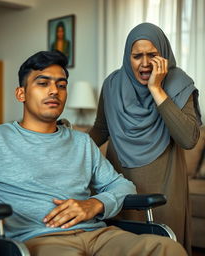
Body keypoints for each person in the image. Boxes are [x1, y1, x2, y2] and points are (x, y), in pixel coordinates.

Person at [0, 50, 187, 256]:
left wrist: (95, 204)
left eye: (61, 85)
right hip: (38, 240)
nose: (54, 91)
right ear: (21, 94)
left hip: (99, 234)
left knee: (168, 248)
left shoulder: (82, 142)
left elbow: (122, 186)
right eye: (43, 83)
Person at [89, 22, 202, 255]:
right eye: (137, 55)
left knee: (165, 245)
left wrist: (157, 89)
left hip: (165, 183)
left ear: (163, 54)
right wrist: (69, 147)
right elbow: (101, 129)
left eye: (152, 55)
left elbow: (188, 139)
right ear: (127, 57)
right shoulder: (112, 84)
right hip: (119, 180)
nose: (145, 63)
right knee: (122, 245)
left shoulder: (179, 83)